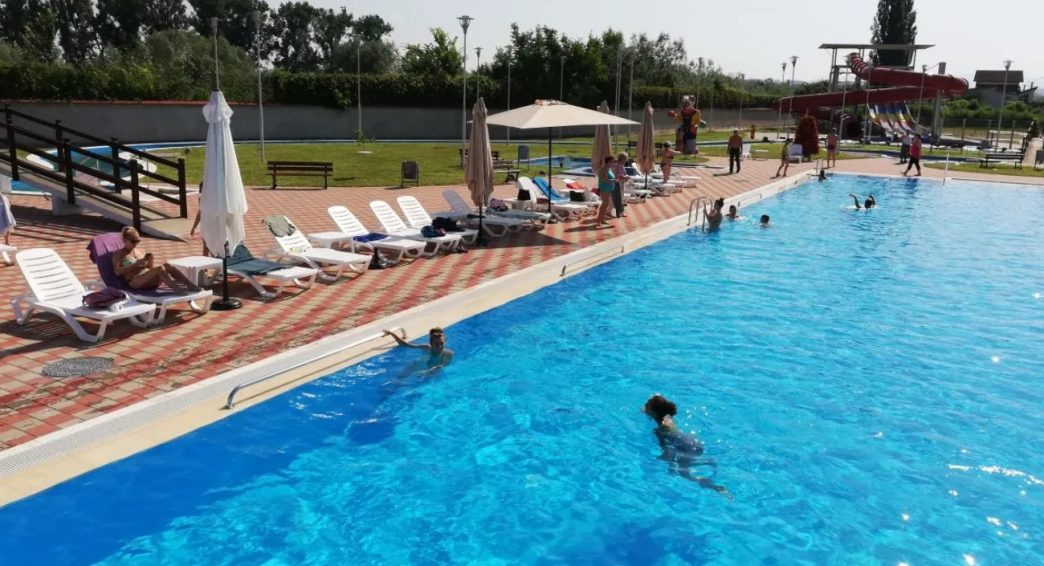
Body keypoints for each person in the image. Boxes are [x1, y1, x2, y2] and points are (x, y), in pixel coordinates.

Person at [642, 394, 730, 496]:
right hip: (694, 442)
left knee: (684, 474)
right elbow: (658, 404)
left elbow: (667, 452)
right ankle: (709, 462)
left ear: (652, 413)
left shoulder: (659, 431)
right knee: (682, 463)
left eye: (647, 406)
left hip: (687, 449)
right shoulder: (668, 419)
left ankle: (715, 487)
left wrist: (662, 460)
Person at [112, 226, 201, 293]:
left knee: (167, 266)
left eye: (138, 241)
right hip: (134, 281)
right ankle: (177, 290)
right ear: (125, 240)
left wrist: (150, 260)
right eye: (133, 241)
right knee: (159, 268)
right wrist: (135, 264)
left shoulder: (140, 251)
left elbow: (150, 268)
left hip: (148, 279)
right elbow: (117, 272)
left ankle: (190, 285)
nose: (136, 244)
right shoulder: (119, 254)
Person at [383, 327, 454, 374]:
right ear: (431, 343)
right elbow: (406, 345)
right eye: (436, 344)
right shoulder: (426, 348)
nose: (439, 346)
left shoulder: (449, 354)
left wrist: (428, 371)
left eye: (441, 343)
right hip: (423, 368)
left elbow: (443, 367)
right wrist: (392, 333)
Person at [595, 155, 616, 226]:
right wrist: (613, 180)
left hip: (609, 188)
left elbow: (610, 178)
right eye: (613, 162)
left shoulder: (609, 169)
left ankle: (602, 219)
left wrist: (614, 180)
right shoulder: (603, 169)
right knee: (604, 204)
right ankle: (598, 220)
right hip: (604, 188)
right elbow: (603, 179)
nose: (614, 163)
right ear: (608, 162)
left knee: (606, 204)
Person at [611, 152, 629, 219]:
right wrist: (622, 177)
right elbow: (614, 175)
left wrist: (625, 177)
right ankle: (614, 212)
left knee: (621, 198)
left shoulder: (622, 166)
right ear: (623, 159)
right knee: (617, 198)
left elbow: (623, 173)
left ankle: (621, 212)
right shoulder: (616, 166)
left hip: (621, 184)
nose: (627, 160)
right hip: (616, 184)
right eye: (626, 158)